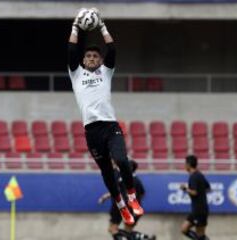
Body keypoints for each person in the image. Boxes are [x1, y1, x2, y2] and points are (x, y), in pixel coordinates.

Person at [67, 8, 144, 226]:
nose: (91, 58)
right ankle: (121, 206)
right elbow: (71, 49)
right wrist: (75, 26)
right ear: (83, 60)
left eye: (95, 56)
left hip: (111, 127)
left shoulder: (106, 72)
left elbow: (112, 48)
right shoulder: (76, 74)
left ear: (100, 61)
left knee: (121, 160)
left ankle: (131, 198)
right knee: (107, 173)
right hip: (92, 131)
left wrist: (101, 26)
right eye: (88, 56)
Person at [98, 160, 156, 240]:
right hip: (136, 209)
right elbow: (142, 194)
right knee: (127, 232)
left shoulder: (122, 179)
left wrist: (105, 197)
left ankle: (142, 238)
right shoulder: (137, 180)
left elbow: (117, 192)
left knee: (113, 229)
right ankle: (144, 237)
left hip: (122, 206)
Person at [180, 155, 211, 240]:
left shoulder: (194, 176)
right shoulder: (199, 175)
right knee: (184, 229)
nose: (184, 166)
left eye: (185, 164)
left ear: (189, 165)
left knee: (199, 235)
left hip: (199, 210)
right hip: (199, 209)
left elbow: (194, 192)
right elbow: (208, 188)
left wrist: (185, 188)